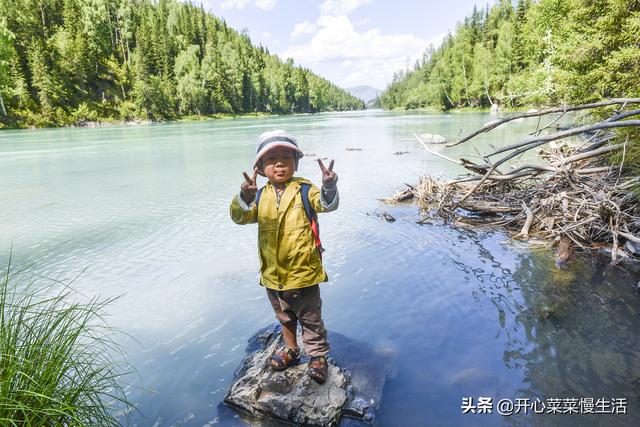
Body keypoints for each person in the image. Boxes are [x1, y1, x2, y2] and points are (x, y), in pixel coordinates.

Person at [229, 129, 339, 384]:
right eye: (271, 159)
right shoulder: (259, 195)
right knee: (285, 316)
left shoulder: (304, 189)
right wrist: (244, 196)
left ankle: (317, 355)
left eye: (286, 158)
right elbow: (240, 217)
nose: (279, 164)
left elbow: (327, 204)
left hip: (304, 271)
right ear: (259, 167)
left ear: (296, 163)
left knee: (310, 317)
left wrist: (329, 186)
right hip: (273, 273)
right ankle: (291, 349)